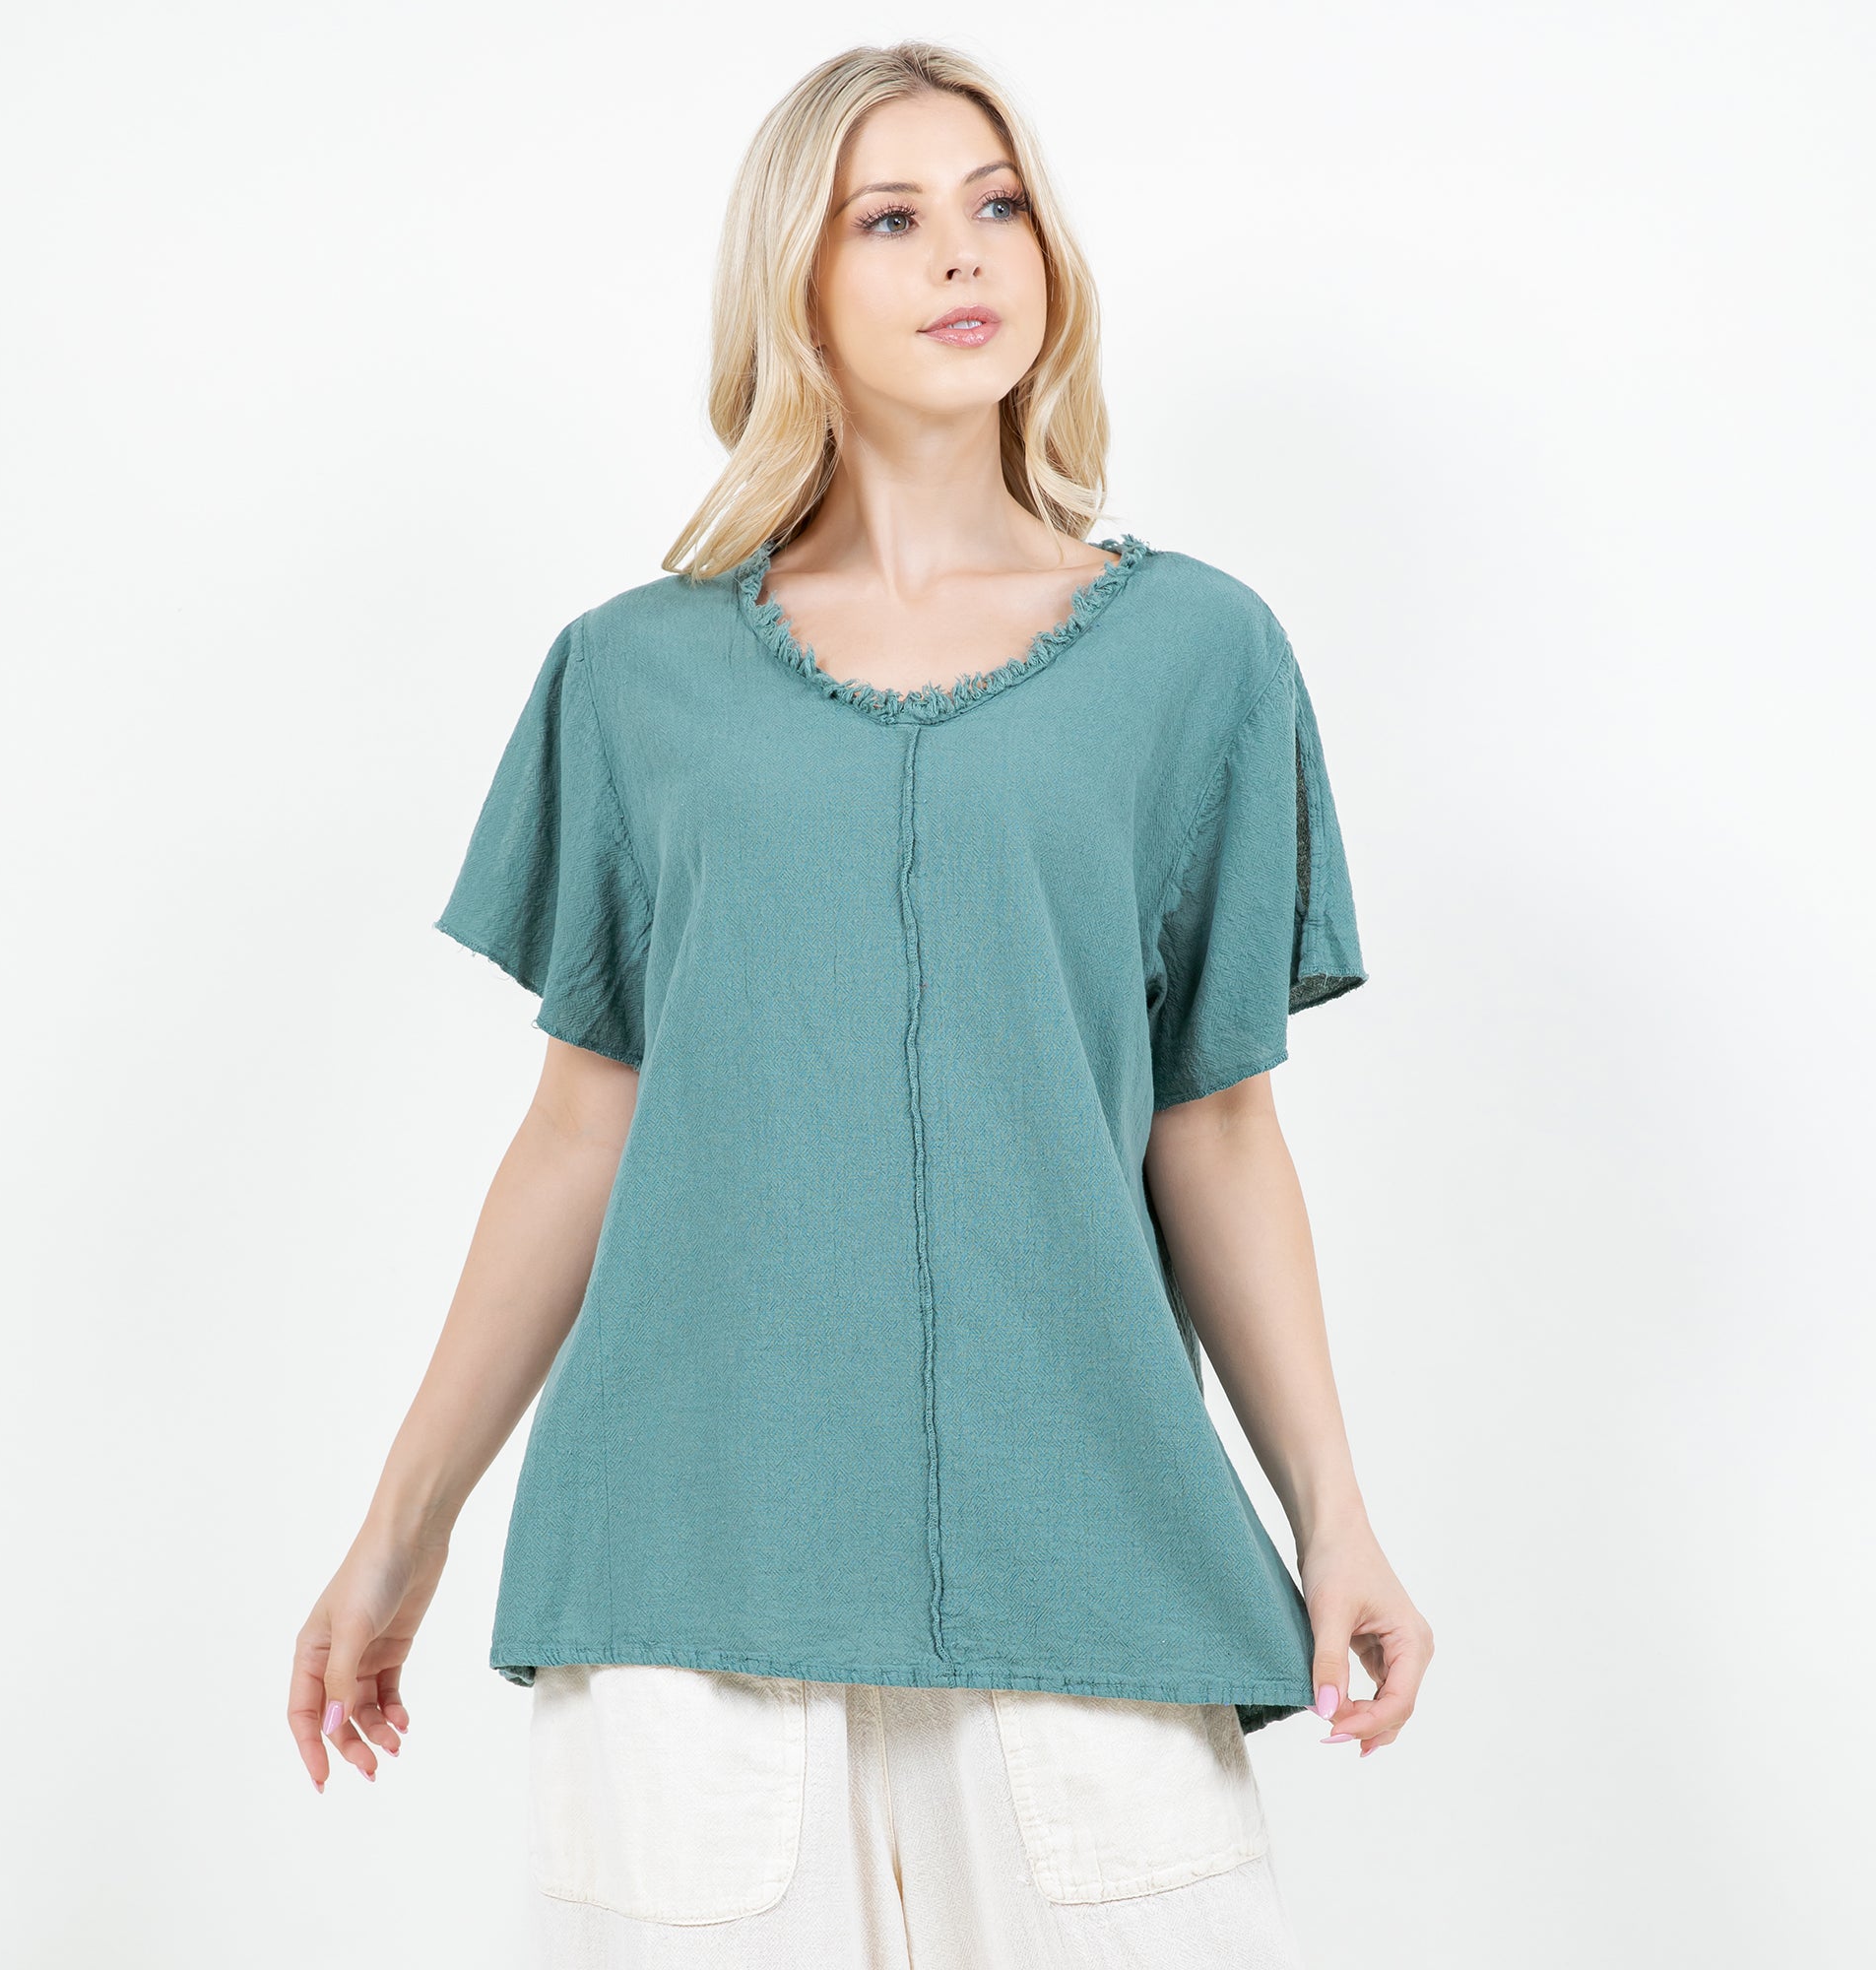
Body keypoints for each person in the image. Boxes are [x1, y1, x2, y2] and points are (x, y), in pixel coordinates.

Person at [290, 39, 1434, 1967]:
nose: (962, 253)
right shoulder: (630, 676)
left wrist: (1333, 1517)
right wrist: (399, 1534)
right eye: (886, 217)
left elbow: (1217, 1119)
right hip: (684, 1568)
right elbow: (581, 1130)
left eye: (997, 204)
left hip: (1090, 1556)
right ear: (794, 282)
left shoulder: (1199, 654)